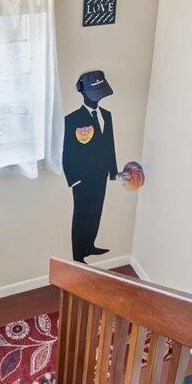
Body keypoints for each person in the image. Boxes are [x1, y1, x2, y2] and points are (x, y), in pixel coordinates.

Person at [62, 70, 118, 262]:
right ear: (82, 92)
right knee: (81, 215)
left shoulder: (107, 116)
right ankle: (78, 254)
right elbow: (67, 151)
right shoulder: (72, 120)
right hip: (82, 178)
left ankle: (89, 245)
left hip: (101, 174)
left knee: (96, 211)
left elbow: (110, 144)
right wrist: (73, 178)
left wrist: (113, 170)